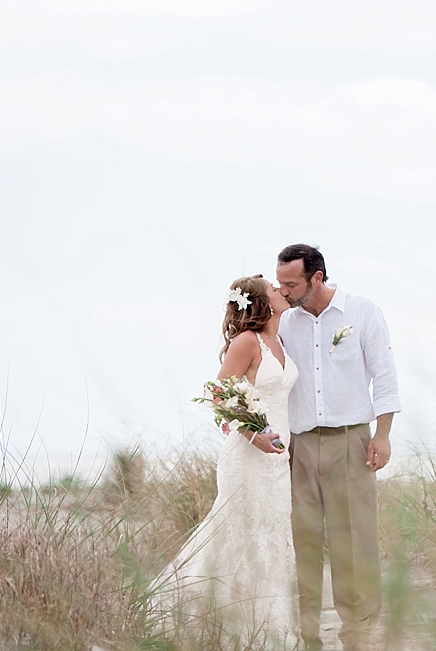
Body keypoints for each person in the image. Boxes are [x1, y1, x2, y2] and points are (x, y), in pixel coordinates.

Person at [155, 274, 299, 646]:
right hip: (247, 459)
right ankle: (212, 623)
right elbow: (217, 396)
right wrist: (254, 434)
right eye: (273, 289)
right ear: (260, 303)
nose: (282, 291)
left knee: (270, 539)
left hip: (277, 463)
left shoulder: (279, 340)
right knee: (239, 536)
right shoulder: (247, 342)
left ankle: (266, 628)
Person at [276, 244, 400, 651]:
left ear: (317, 277)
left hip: (351, 440)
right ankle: (307, 631)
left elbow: (384, 376)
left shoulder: (362, 312)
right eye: (280, 284)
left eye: (291, 284)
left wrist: (382, 434)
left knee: (354, 536)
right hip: (299, 446)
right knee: (304, 538)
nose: (285, 291)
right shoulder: (284, 323)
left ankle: (358, 629)